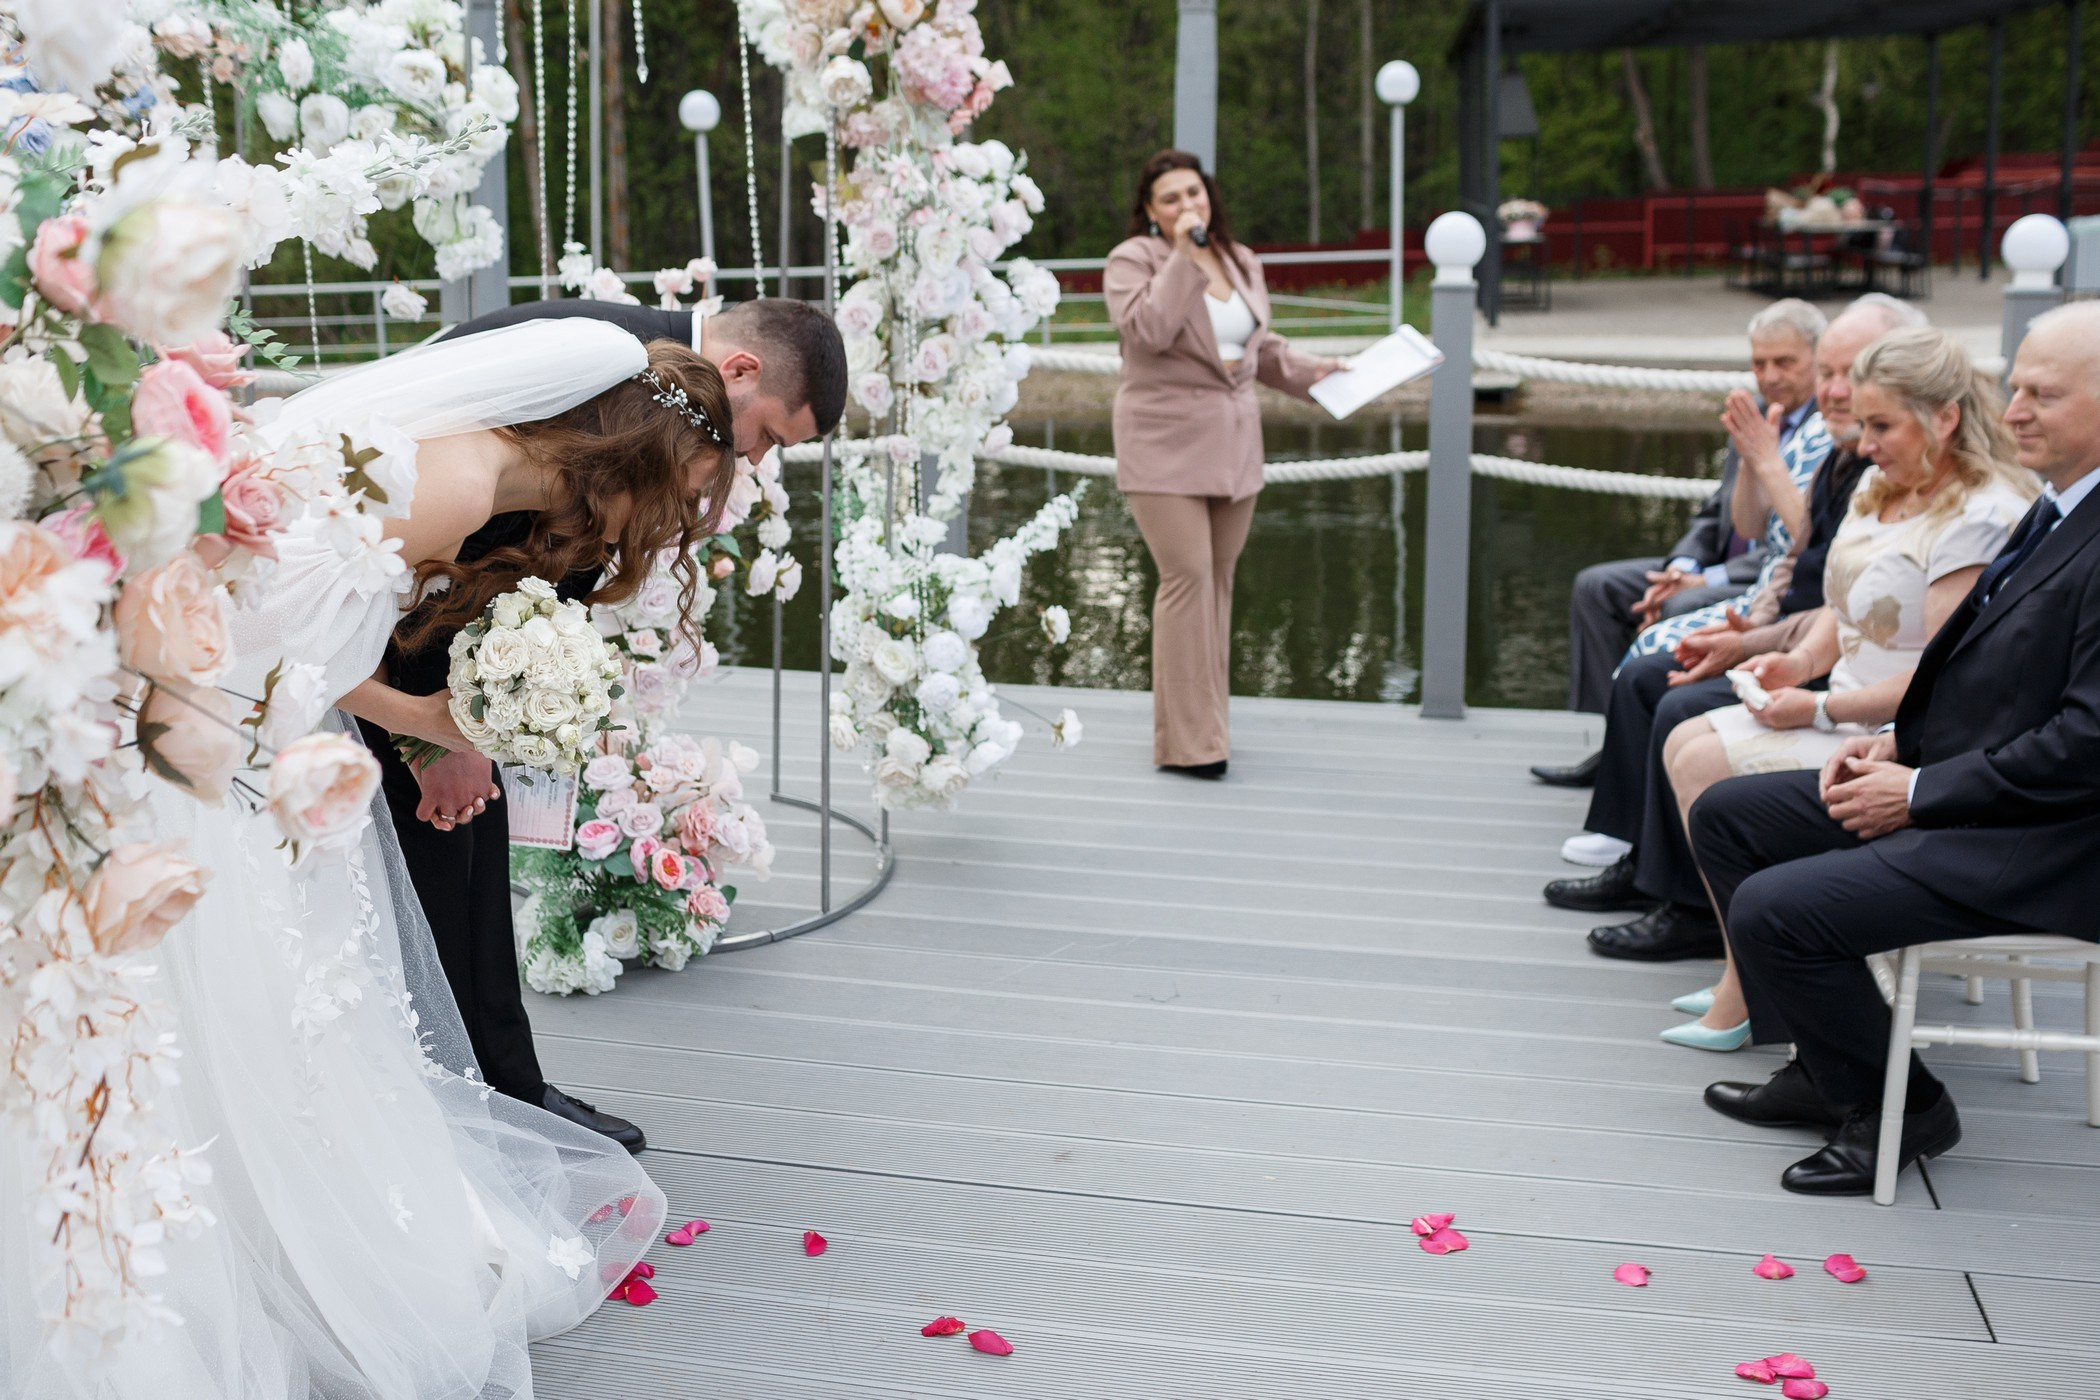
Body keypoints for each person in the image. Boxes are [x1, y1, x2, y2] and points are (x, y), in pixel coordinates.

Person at [53, 319, 722, 1394]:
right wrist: (424, 719)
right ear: (631, 459)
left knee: (281, 1006)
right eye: (675, 498)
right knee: (234, 1004)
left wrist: (435, 717)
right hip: (208, 738)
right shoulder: (455, 485)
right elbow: (260, 636)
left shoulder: (473, 473)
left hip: (245, 730)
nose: (664, 528)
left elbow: (298, 627)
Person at [359, 296, 844, 1151]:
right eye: (768, 435)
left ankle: (506, 1089)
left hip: (451, 640)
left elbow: (540, 545)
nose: (757, 460)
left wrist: (509, 689)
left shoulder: (645, 375)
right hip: (392, 643)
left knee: (474, 862)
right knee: (425, 881)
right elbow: (434, 548)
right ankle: (445, 1116)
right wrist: (431, 733)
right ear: (740, 372)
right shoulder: (600, 362)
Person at [1689, 301, 2100, 1196]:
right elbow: (1990, 681)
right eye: (2016, 387)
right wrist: (1893, 746)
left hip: (2049, 841)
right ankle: (1827, 1067)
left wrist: (1917, 794)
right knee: (1729, 818)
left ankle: (1905, 1109)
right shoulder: (2060, 507)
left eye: (2044, 394)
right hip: (1972, 794)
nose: (2015, 409)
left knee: (1776, 910)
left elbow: (2086, 744)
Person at [1654, 326, 2032, 1049]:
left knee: (1704, 764)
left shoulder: (1978, 516)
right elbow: (1843, 602)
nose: (1864, 442)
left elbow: (1945, 677)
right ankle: (1746, 970)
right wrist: (1796, 664)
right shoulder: (1880, 482)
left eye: (1882, 425)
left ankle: (1750, 989)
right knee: (1682, 738)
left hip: (1899, 735)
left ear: (1944, 418)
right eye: (1863, 423)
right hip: (1842, 703)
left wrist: (1822, 706)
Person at [1542, 295, 1914, 941]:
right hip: (1794, 631)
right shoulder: (1844, 454)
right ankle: (1637, 850)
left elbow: (1826, 574)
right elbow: (1755, 533)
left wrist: (1759, 642)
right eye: (1828, 374)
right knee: (1651, 662)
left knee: (1672, 693)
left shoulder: (1891, 470)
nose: (1832, 390)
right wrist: (1748, 464)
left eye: (1845, 373)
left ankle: (1686, 903)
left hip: (1832, 665)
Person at [1103, 150, 1338, 777]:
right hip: (1163, 445)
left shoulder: (1240, 259)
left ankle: (1208, 727)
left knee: (1218, 584)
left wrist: (1320, 374)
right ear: (1151, 211)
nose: (1188, 205)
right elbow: (1148, 331)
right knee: (1187, 578)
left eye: (1194, 193)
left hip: (1233, 447)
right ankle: (1188, 747)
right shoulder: (1133, 261)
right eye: (1171, 198)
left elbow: (1255, 350)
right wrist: (1183, 256)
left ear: (1209, 195)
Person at [1536, 299, 1824, 789]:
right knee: (1596, 587)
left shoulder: (1828, 431)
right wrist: (1682, 565)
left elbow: (1799, 542)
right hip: (1711, 566)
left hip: (1757, 580)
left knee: (1682, 606)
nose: (1769, 376)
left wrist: (1704, 580)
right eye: (1759, 363)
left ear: (1816, 358)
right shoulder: (1753, 414)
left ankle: (1645, 752)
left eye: (1784, 362)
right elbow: (1717, 510)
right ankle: (1613, 743)